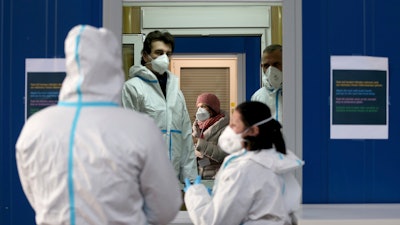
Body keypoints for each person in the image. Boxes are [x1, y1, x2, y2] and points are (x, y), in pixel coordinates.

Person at [15, 25, 182, 225]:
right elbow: (166, 209)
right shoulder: (140, 128)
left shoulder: (35, 128)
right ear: (114, 64)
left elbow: (37, 197)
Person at [184, 101, 304, 225]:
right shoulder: (277, 162)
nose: (229, 130)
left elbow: (213, 221)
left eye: (234, 125)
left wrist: (195, 194)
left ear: (253, 131)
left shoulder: (243, 170)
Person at [121, 30, 198, 183]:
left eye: (168, 54)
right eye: (158, 52)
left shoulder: (176, 93)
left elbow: (186, 140)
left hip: (172, 181)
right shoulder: (133, 88)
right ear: (145, 56)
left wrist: (191, 183)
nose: (164, 58)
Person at [192, 93, 229, 180]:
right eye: (198, 107)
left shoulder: (225, 128)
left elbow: (222, 155)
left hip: (216, 177)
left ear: (213, 109)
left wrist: (198, 142)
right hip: (199, 177)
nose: (199, 110)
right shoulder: (197, 127)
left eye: (203, 107)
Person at [251, 44, 283, 123]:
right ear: (262, 67)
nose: (271, 69)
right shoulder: (257, 97)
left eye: (276, 64)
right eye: (266, 65)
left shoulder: (299, 93)